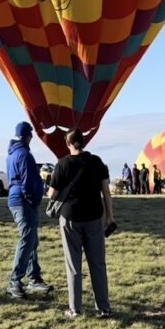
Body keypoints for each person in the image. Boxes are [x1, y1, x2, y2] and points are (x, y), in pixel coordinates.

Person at [48, 129, 114, 319]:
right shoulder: (97, 162)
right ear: (83, 142)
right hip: (94, 217)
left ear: (68, 144)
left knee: (73, 265)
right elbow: (106, 192)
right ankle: (104, 307)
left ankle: (75, 308)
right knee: (98, 264)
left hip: (70, 218)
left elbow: (52, 194)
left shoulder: (62, 164)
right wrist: (110, 216)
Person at [6, 121, 53, 300]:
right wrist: (34, 199)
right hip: (24, 201)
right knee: (27, 239)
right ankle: (14, 281)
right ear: (28, 136)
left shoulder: (11, 154)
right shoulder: (25, 154)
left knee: (31, 240)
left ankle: (34, 277)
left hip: (15, 199)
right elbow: (27, 181)